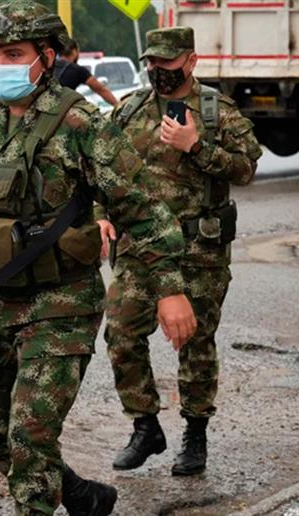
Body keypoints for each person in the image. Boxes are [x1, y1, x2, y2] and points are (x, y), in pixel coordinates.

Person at [0, 2, 197, 514]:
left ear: (47, 55)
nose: (0, 66)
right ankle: (79, 494)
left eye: (14, 54)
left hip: (60, 305)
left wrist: (170, 290)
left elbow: (142, 208)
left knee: (29, 436)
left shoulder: (81, 123)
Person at [101, 26, 262, 477]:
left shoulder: (215, 111)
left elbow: (247, 168)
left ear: (190, 62)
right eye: (152, 62)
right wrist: (100, 214)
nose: (158, 70)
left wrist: (196, 147)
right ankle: (145, 425)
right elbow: (100, 168)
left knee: (194, 341)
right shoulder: (130, 110)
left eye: (167, 63)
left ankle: (195, 431)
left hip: (198, 248)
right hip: (140, 247)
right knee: (121, 333)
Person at [54, 36, 118, 106]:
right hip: (61, 108)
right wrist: (117, 105)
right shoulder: (78, 70)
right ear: (74, 51)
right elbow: (100, 89)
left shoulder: (49, 66)